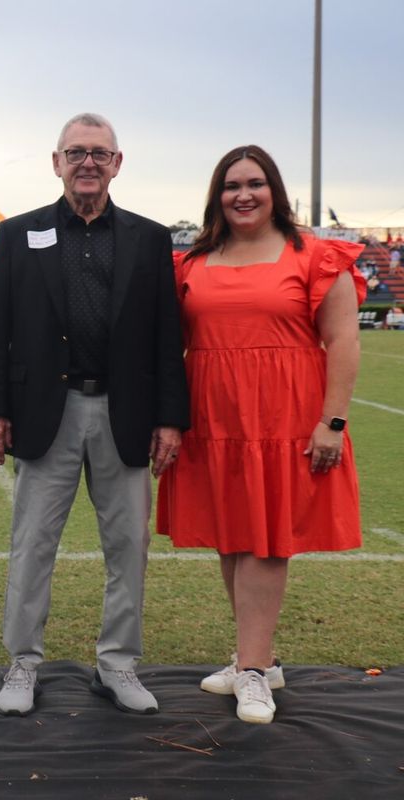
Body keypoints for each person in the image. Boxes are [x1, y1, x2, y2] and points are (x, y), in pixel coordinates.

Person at [0, 113, 189, 716]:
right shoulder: (19, 233)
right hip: (48, 412)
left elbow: (165, 336)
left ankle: (118, 664)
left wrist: (170, 418)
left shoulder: (149, 238)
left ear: (118, 163)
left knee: (127, 547)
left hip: (126, 413)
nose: (87, 162)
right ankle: (22, 663)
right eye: (76, 153)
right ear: (56, 162)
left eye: (99, 153)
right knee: (31, 545)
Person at [156, 145, 365, 725]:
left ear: (275, 189)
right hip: (214, 421)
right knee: (231, 535)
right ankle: (259, 659)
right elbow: (169, 343)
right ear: (216, 196)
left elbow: (344, 341)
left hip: (286, 421)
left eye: (254, 183)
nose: (242, 195)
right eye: (231, 185)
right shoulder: (194, 262)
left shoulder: (316, 256)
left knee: (268, 538)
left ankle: (251, 670)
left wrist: (333, 421)